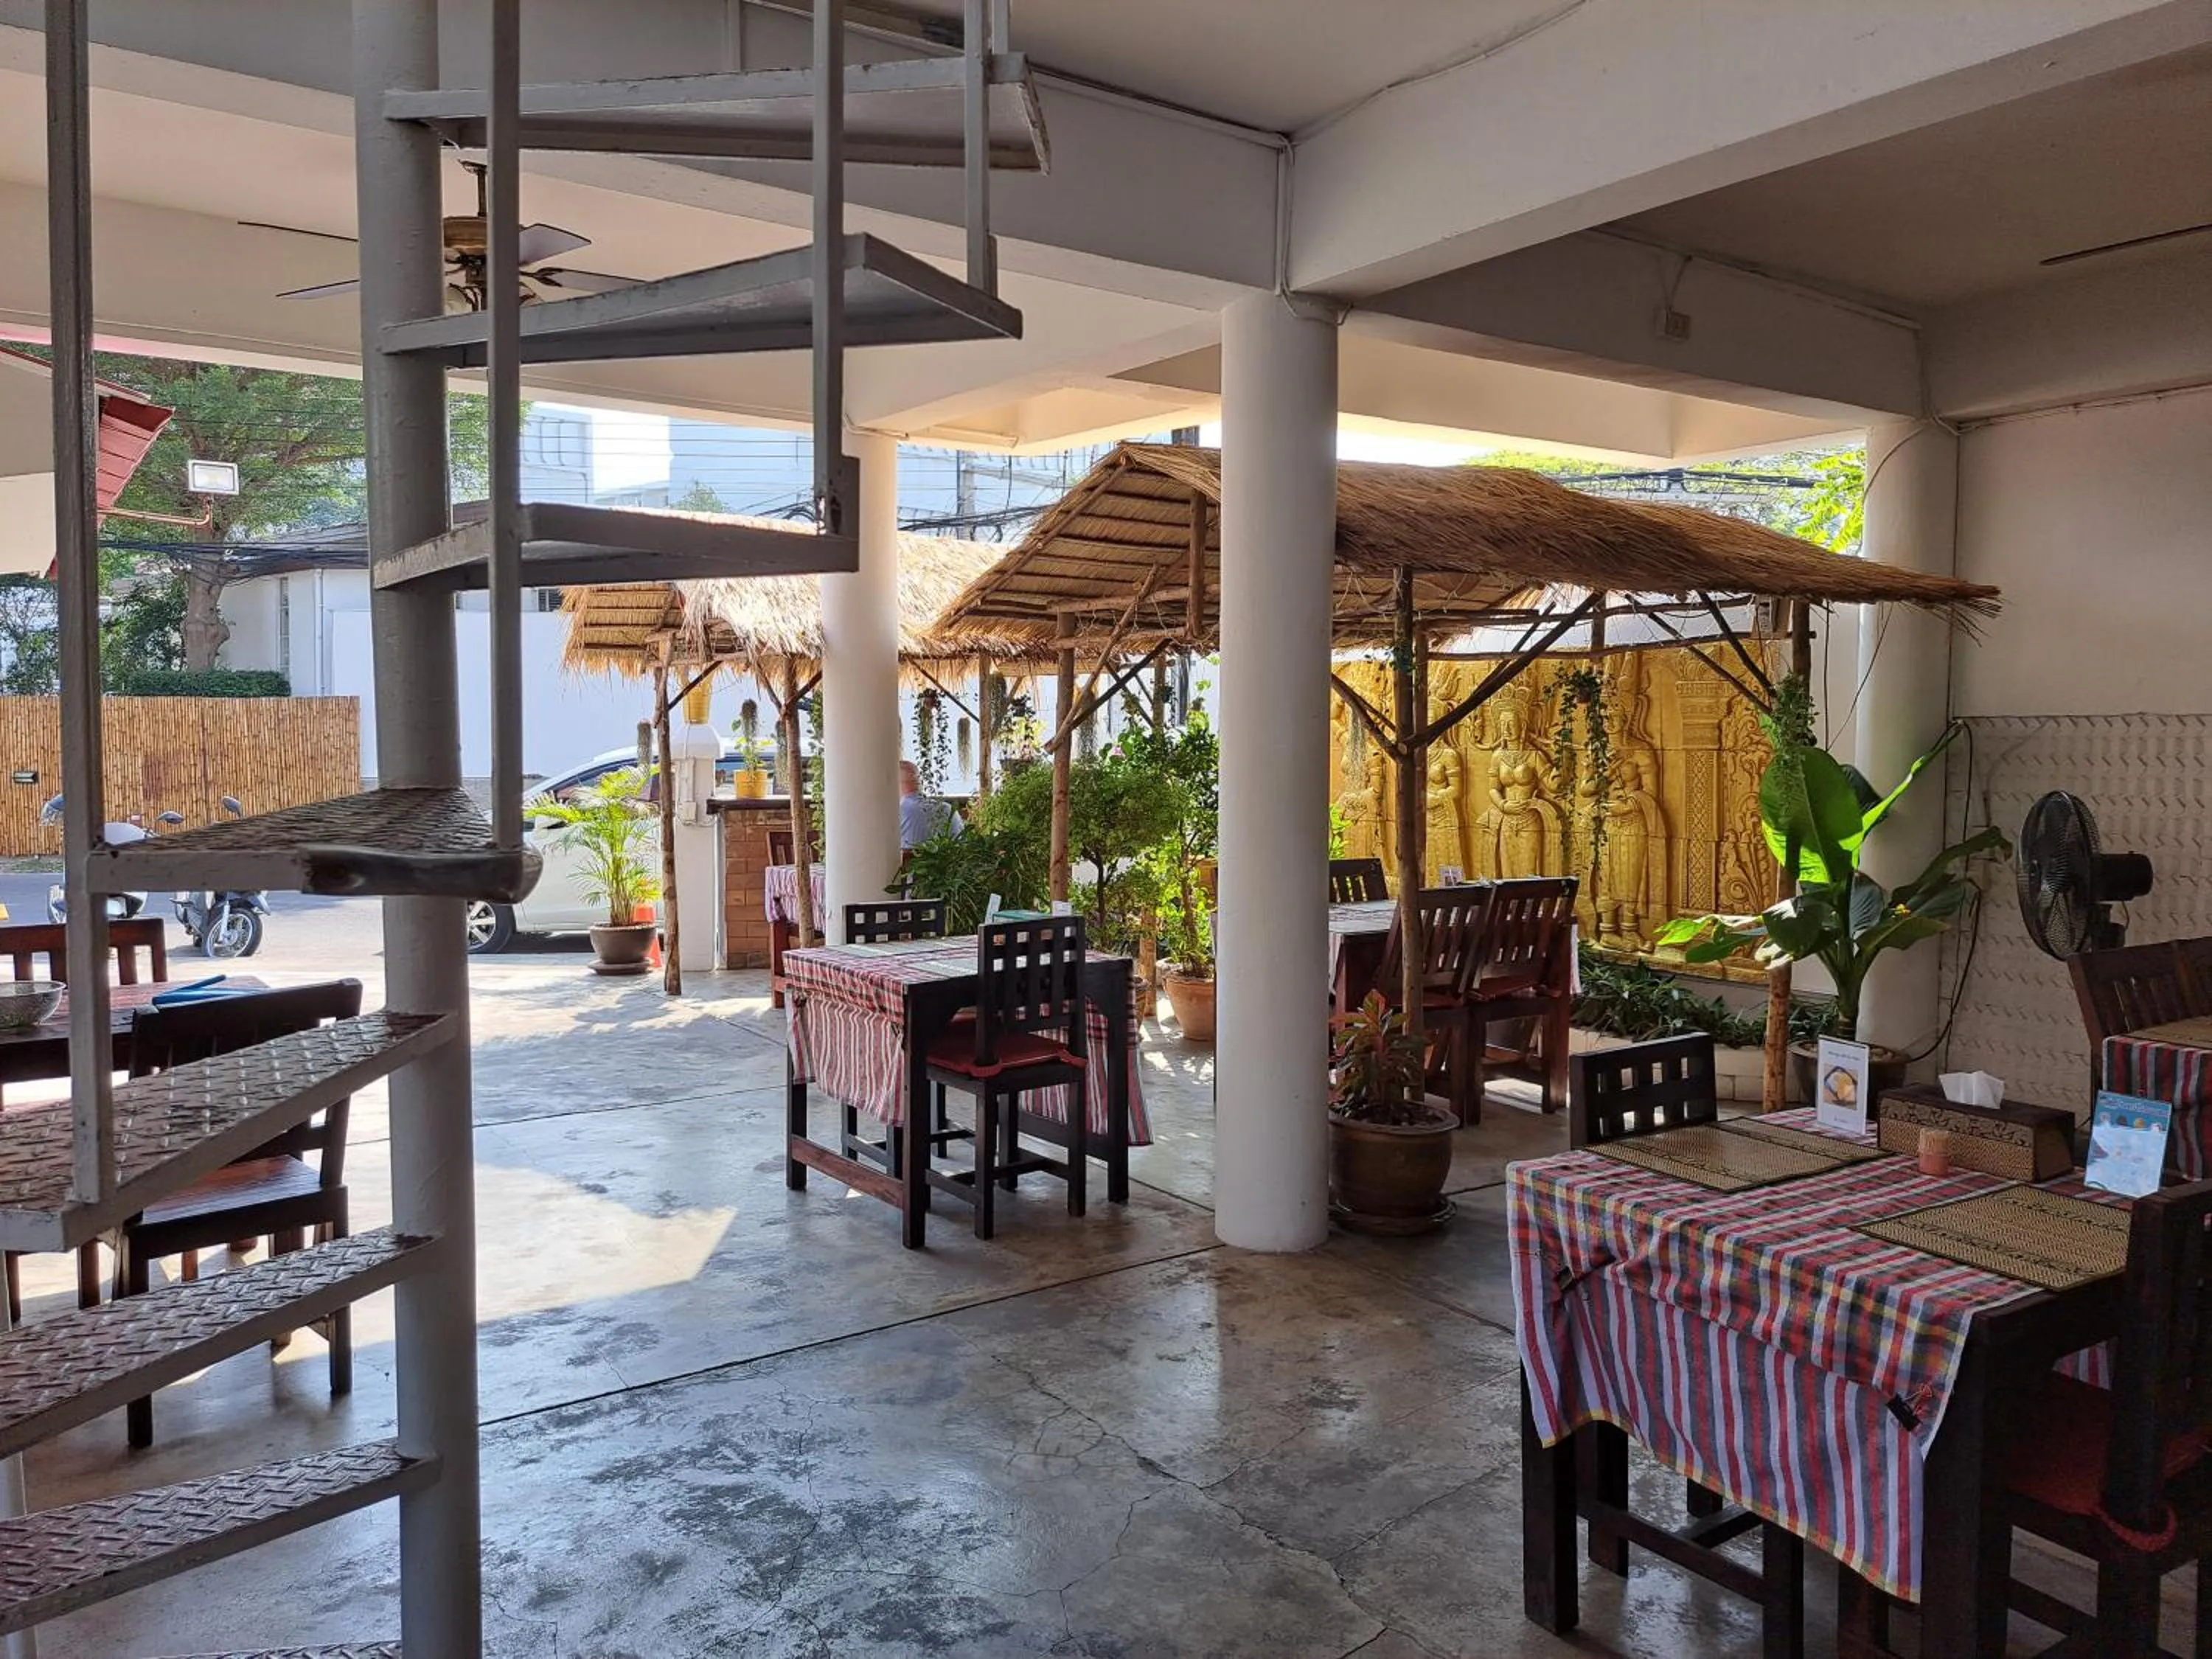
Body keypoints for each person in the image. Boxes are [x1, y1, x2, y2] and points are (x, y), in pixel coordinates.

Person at [898, 760, 963, 850]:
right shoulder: (948, 809)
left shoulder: (898, 812)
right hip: (953, 862)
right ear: (919, 781)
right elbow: (962, 843)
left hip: (911, 863)